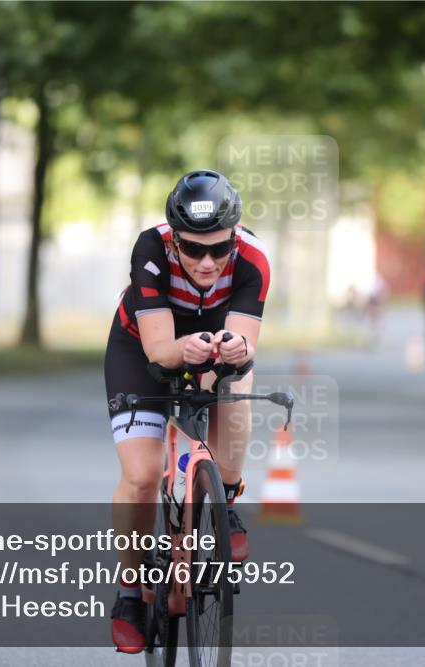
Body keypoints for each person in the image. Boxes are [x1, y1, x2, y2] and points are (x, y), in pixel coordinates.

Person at [104, 169, 270, 653]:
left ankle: (225, 504)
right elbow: (160, 352)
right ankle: (130, 592)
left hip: (213, 342)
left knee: (235, 386)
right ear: (174, 239)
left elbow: (246, 343)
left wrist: (236, 350)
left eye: (220, 249)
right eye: (193, 249)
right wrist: (184, 350)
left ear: (235, 237)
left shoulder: (254, 259)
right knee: (141, 474)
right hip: (142, 347)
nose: (207, 262)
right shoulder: (150, 249)